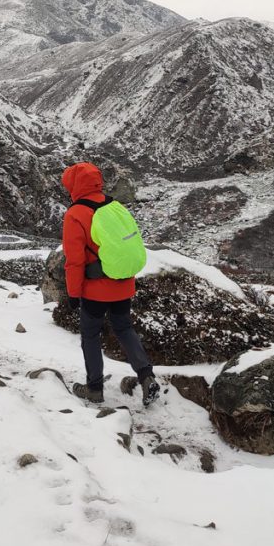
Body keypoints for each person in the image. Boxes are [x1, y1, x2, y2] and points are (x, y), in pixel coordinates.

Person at [60, 161, 160, 406]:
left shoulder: (76, 214)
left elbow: (74, 261)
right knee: (124, 328)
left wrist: (73, 293)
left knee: (91, 335)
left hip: (95, 289)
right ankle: (147, 376)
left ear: (74, 185)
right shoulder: (114, 205)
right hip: (123, 282)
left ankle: (94, 388)